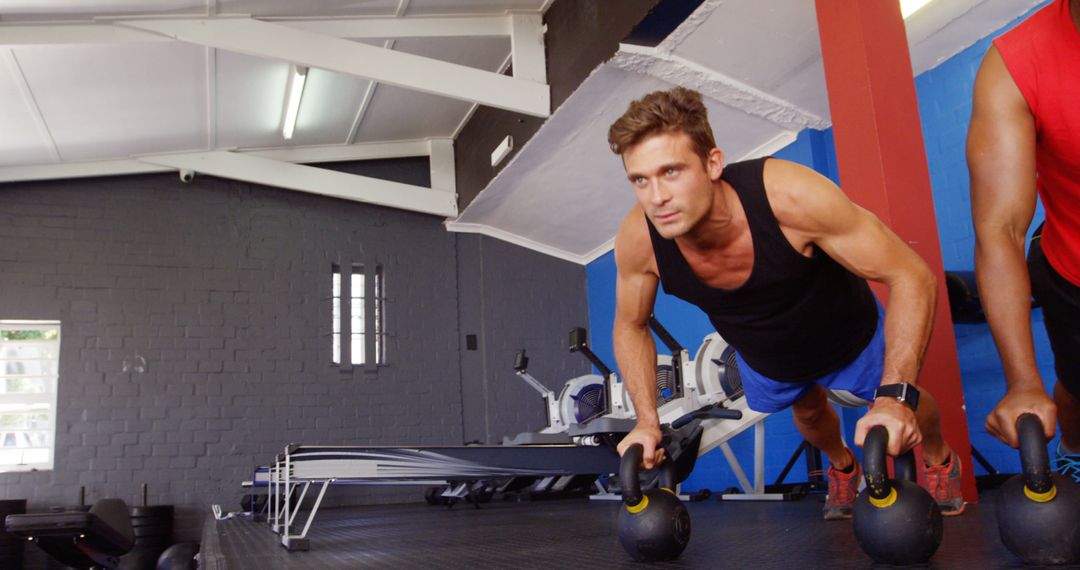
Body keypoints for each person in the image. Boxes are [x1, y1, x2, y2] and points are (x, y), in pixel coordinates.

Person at [608, 87, 966, 519]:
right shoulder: (638, 240)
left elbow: (910, 273)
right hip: (766, 354)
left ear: (713, 163)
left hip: (845, 331)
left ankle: (939, 455)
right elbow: (631, 324)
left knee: (906, 400)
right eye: (640, 180)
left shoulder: (789, 197)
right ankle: (842, 468)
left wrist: (894, 396)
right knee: (811, 417)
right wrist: (647, 419)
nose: (656, 197)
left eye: (671, 171)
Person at [967, 0, 1080, 482]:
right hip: (1072, 266)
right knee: (1076, 389)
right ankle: (1075, 451)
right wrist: (1023, 381)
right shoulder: (1015, 65)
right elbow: (1001, 229)